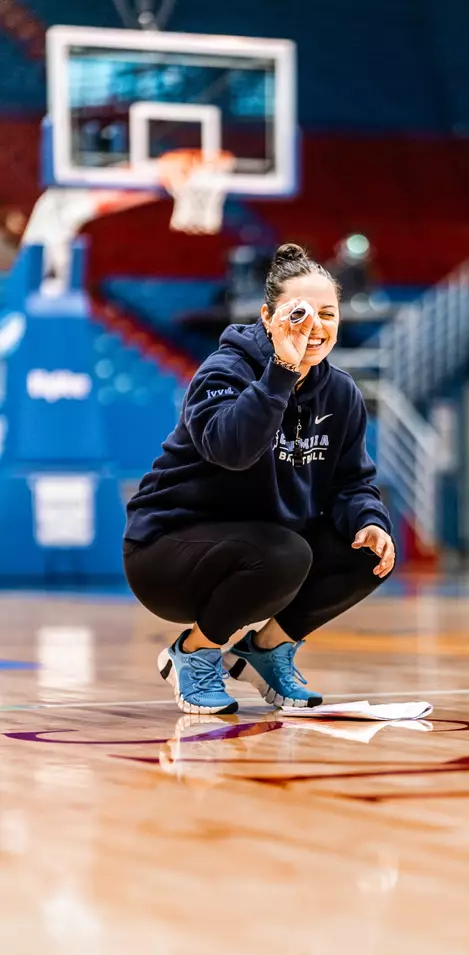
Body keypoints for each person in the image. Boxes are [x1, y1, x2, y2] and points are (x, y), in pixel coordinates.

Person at [123, 243, 395, 715]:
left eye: (328, 314)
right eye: (300, 313)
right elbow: (232, 450)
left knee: (366, 551)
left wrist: (368, 519)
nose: (315, 327)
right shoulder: (224, 371)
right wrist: (281, 374)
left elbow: (352, 483)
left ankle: (267, 650)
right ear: (268, 317)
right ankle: (192, 654)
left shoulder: (341, 394)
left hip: (263, 547)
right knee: (285, 552)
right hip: (167, 551)